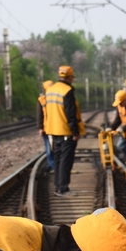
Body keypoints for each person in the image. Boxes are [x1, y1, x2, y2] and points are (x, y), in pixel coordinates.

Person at [44, 65, 85, 196]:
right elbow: (70, 114)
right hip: (65, 131)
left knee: (57, 159)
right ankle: (63, 188)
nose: (72, 79)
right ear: (69, 77)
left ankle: (58, 186)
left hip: (53, 130)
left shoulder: (50, 90)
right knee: (66, 160)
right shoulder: (67, 91)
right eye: (72, 77)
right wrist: (75, 132)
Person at [35, 80, 55, 172]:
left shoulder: (56, 98)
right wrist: (40, 128)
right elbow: (39, 115)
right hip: (47, 129)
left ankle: (55, 165)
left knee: (53, 148)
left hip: (56, 128)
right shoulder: (41, 100)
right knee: (49, 149)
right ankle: (52, 165)